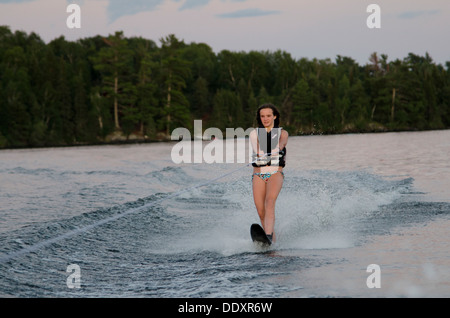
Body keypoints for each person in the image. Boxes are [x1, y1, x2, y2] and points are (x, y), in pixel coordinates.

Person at [249, 104, 288, 243]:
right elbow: (258, 146)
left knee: (270, 201)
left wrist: (278, 148)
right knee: (261, 212)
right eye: (262, 116)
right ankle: (271, 241)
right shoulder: (254, 134)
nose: (265, 119)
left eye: (268, 116)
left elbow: (282, 142)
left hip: (275, 173)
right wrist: (263, 152)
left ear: (274, 116)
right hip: (258, 175)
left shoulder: (282, 133)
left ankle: (269, 236)